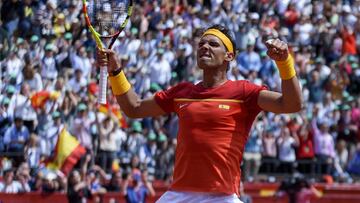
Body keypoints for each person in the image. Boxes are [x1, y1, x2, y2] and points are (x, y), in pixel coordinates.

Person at [97, 24, 302, 202]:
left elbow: (291, 105)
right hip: (179, 194)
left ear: (229, 56)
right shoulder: (182, 92)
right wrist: (116, 71)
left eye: (213, 44)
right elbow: (134, 108)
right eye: (202, 44)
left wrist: (284, 62)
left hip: (223, 197)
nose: (204, 46)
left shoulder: (245, 92)